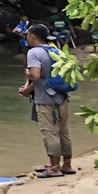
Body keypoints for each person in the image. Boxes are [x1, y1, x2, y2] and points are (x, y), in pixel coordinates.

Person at [18, 24, 75, 178]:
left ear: (33, 36)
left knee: (50, 132)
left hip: (46, 100)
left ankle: (54, 169)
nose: (27, 37)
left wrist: (27, 72)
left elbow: (36, 76)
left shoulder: (34, 52)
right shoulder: (56, 50)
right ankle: (66, 165)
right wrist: (28, 90)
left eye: (28, 34)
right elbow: (46, 77)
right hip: (62, 97)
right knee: (63, 132)